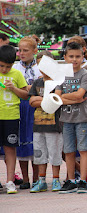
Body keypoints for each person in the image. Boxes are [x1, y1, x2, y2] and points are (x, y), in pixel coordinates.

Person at [56, 42, 87, 194]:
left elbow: (80, 95)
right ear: (65, 57)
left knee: (83, 150)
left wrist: (69, 97)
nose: (74, 59)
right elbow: (57, 98)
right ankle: (71, 181)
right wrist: (73, 99)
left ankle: (83, 180)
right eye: (71, 56)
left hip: (82, 117)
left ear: (83, 57)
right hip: (66, 119)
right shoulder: (61, 75)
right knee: (69, 151)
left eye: (78, 56)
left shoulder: (85, 74)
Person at [28, 51, 63, 193]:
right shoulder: (37, 82)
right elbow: (31, 101)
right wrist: (46, 100)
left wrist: (39, 100)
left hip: (54, 125)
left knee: (55, 152)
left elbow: (56, 100)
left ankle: (56, 179)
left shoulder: (58, 81)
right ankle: (41, 180)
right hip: (38, 125)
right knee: (39, 153)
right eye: (40, 64)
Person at [0, 45, 28, 194]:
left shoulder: (16, 74)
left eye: (8, 66)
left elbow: (25, 95)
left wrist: (14, 89)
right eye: (1, 66)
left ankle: (10, 181)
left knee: (10, 148)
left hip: (11, 116)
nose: (4, 69)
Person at [13, 36, 40, 190]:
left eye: (25, 50)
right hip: (20, 106)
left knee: (35, 141)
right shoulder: (16, 68)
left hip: (36, 107)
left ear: (34, 51)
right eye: (20, 50)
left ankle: (37, 177)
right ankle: (25, 178)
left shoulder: (39, 68)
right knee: (22, 141)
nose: (21, 53)